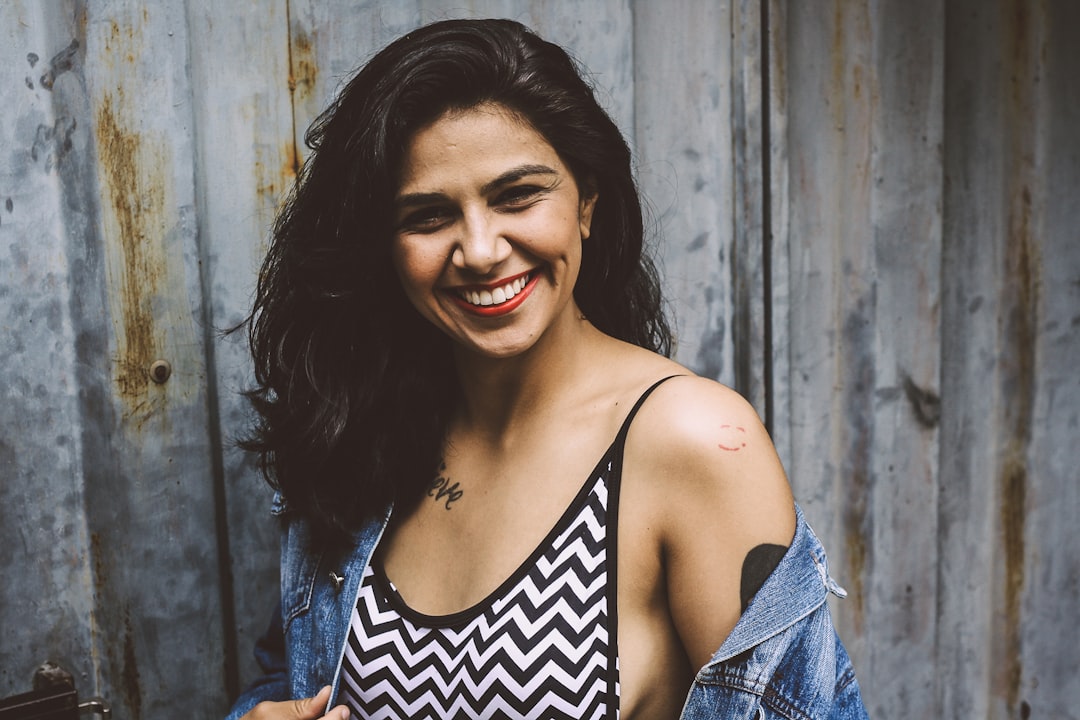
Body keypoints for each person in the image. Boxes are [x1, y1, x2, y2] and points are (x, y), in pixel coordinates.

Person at [226, 18, 868, 720]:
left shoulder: (690, 440)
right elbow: (290, 676)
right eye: (429, 215)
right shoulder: (362, 427)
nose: (479, 249)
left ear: (586, 200)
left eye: (516, 196)